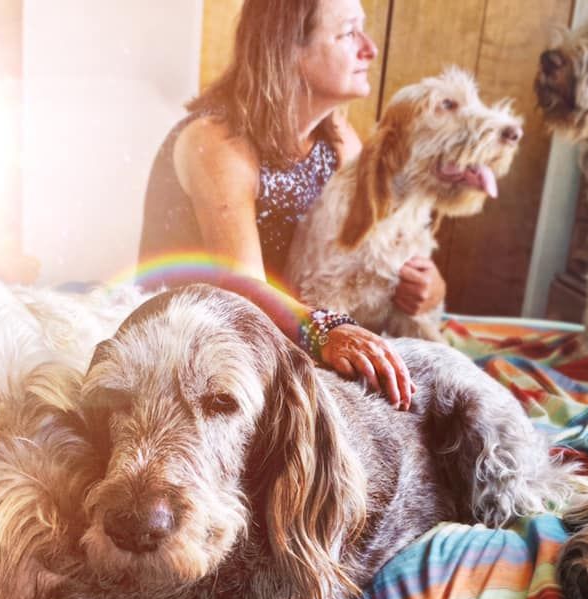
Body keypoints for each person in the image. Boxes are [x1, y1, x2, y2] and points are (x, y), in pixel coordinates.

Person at [137, 0, 448, 409]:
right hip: (188, 339)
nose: (369, 48)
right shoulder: (215, 141)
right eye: (348, 33)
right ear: (289, 49)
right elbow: (239, 285)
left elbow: (372, 248)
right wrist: (327, 330)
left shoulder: (336, 140)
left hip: (284, 331)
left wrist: (427, 287)